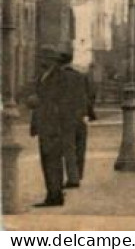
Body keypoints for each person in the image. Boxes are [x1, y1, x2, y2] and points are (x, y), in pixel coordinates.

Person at [27, 49, 75, 207]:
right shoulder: (43, 76)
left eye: (42, 58)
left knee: (52, 160)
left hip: (54, 125)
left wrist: (39, 100)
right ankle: (52, 194)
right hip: (44, 124)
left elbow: (62, 101)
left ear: (51, 60)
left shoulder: (60, 77)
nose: (40, 61)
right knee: (47, 160)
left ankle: (55, 196)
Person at [56, 51, 94, 189]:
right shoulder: (80, 76)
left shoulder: (58, 77)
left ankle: (73, 178)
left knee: (69, 147)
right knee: (80, 146)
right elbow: (90, 94)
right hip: (81, 116)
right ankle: (79, 174)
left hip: (66, 116)